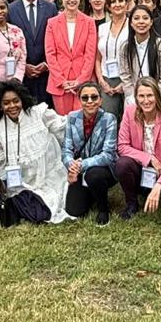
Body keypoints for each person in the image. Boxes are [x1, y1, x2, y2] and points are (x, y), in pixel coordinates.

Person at [0, 78, 71, 224]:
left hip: (49, 177)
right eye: (6, 103)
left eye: (16, 101)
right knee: (35, 209)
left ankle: (23, 206)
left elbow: (64, 129)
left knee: (58, 204)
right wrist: (2, 188)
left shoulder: (39, 113)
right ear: (0, 105)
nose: (12, 106)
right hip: (18, 185)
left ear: (22, 100)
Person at [115, 78, 161, 219]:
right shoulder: (129, 112)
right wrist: (150, 159)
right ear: (136, 98)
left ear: (157, 96)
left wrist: (159, 185)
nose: (146, 101)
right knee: (122, 164)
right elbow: (122, 146)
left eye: (150, 95)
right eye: (141, 96)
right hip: (142, 167)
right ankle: (132, 204)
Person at [62, 80, 118, 224]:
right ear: (79, 100)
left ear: (100, 100)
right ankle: (92, 193)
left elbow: (108, 155)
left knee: (94, 175)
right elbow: (66, 150)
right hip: (79, 170)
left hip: (102, 170)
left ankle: (103, 209)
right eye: (85, 98)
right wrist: (71, 166)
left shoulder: (109, 119)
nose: (90, 101)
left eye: (94, 97)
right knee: (74, 211)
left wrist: (81, 165)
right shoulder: (72, 117)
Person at [45, 0, 98, 114]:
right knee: (63, 125)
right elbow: (50, 54)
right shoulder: (52, 23)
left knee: (84, 123)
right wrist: (61, 80)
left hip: (83, 83)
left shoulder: (89, 22)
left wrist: (81, 79)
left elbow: (90, 54)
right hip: (59, 83)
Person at [119, 4, 161, 115]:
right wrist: (135, 98)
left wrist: (153, 99)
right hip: (135, 96)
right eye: (136, 18)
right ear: (131, 23)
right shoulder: (125, 47)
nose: (141, 22)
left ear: (151, 22)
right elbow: (125, 77)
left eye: (145, 18)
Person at [9, 0, 57, 106]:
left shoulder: (50, 8)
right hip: (21, 75)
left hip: (46, 73)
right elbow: (7, 42)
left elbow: (56, 39)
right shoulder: (10, 9)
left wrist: (47, 64)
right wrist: (23, 66)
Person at [95, 0, 130, 118]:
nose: (117, 4)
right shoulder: (102, 28)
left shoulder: (133, 26)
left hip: (128, 79)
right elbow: (98, 58)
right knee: (109, 119)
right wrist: (101, 80)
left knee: (130, 119)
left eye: (121, 0)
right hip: (107, 80)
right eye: (113, 1)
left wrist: (125, 83)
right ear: (108, 7)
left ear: (126, 4)